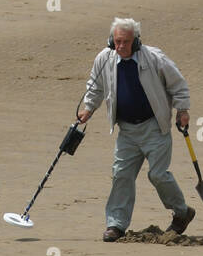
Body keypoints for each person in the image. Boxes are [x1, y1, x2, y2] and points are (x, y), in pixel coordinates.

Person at [78, 17, 194, 242]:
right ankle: (116, 224)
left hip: (154, 127)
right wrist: (89, 108)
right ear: (112, 41)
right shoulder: (104, 59)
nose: (121, 46)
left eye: (126, 42)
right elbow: (95, 85)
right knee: (121, 174)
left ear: (137, 41)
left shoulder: (154, 58)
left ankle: (182, 212)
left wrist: (182, 110)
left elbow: (178, 84)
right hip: (127, 131)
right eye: (117, 41)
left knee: (158, 175)